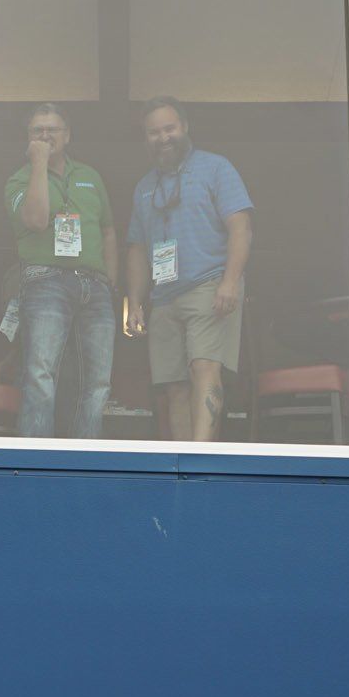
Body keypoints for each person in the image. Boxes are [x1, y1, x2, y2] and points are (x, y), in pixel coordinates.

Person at [125, 96, 253, 442]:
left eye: (169, 128)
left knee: (204, 368)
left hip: (209, 285)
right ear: (145, 138)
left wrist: (230, 281)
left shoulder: (216, 168)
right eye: (154, 132)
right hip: (164, 297)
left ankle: (202, 455)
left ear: (185, 127)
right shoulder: (144, 187)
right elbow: (137, 248)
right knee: (173, 385)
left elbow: (240, 227)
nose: (163, 137)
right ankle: (181, 459)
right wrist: (135, 302)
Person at [4, 103, 118, 439]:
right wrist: (39, 163)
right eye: (37, 130)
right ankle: (35, 458)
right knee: (40, 374)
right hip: (45, 280)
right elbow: (37, 220)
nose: (44, 135)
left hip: (95, 285)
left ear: (67, 136)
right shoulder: (18, 179)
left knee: (98, 381)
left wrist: (111, 279)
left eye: (52, 129)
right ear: (27, 138)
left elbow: (109, 229)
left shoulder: (90, 176)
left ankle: (87, 457)